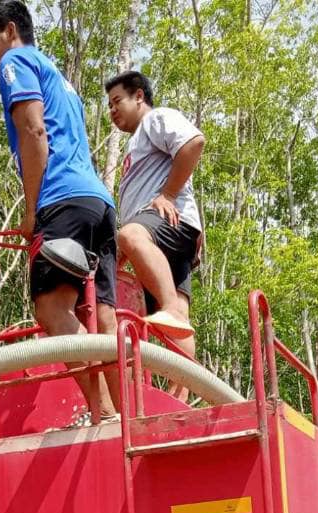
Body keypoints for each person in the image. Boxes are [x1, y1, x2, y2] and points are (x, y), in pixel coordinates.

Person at [0, 1, 123, 422]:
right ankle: (129, 417)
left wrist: (31, 211)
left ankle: (105, 414)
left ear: (9, 30)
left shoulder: (16, 61)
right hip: (98, 203)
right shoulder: (61, 78)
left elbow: (34, 130)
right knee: (101, 317)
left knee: (51, 310)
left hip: (61, 200)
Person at [106, 70, 205, 363]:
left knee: (130, 234)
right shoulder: (137, 141)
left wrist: (168, 195)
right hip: (164, 232)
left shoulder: (155, 119)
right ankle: (183, 392)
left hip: (167, 222)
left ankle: (170, 306)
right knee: (177, 324)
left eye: (116, 101)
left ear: (139, 96)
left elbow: (193, 142)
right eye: (109, 106)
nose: (112, 111)